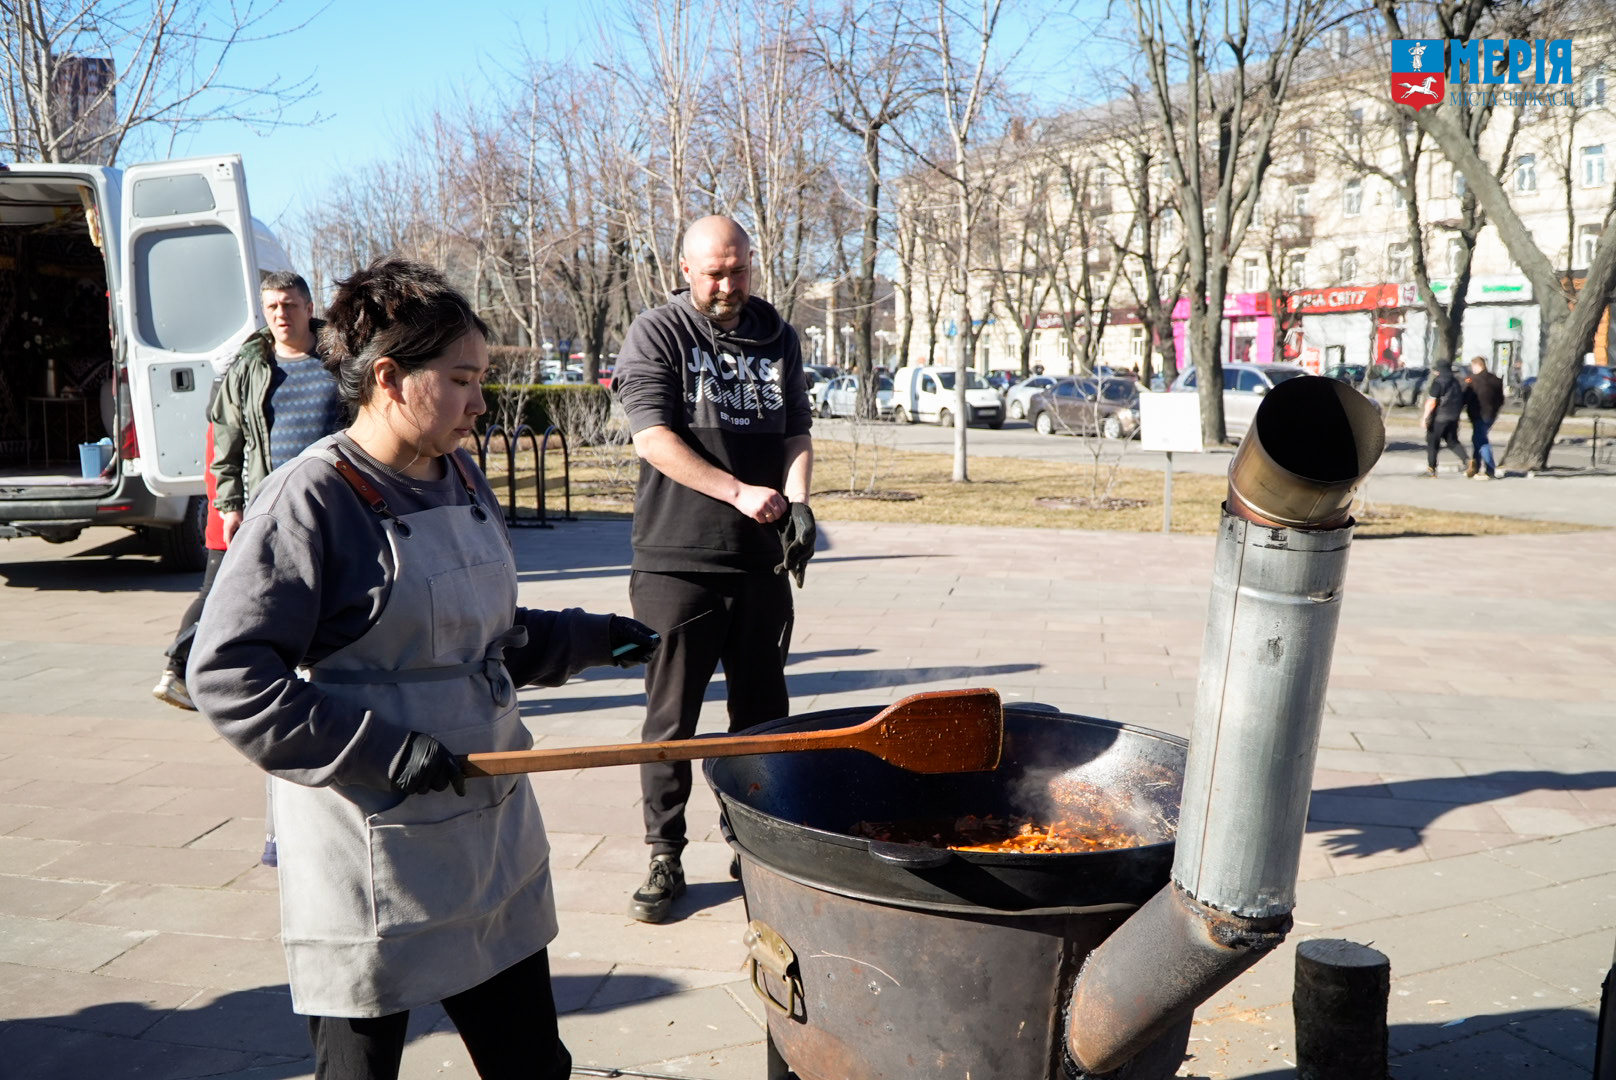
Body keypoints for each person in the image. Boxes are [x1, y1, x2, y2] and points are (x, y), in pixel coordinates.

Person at [188, 256, 659, 1080]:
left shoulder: (462, 476)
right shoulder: (311, 497)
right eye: (462, 380)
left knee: (531, 1066)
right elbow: (230, 677)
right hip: (373, 845)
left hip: (491, 835)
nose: (480, 403)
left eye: (481, 380)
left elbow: (479, 641)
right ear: (389, 379)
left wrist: (592, 640)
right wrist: (381, 751)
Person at [612, 215, 815, 923]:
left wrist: (798, 502)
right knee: (672, 721)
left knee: (763, 720)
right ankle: (664, 854)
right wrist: (737, 492)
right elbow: (652, 438)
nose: (729, 285)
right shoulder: (659, 333)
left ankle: (754, 845)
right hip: (678, 562)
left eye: (739, 270)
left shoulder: (778, 336)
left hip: (760, 564)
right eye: (714, 273)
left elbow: (796, 431)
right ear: (686, 269)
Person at [152, 271, 345, 711]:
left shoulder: (339, 361)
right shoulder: (250, 368)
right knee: (234, 591)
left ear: (309, 308)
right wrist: (230, 505)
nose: (281, 314)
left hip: (333, 501)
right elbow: (226, 444)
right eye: (272, 306)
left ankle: (317, 677)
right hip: (269, 503)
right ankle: (185, 670)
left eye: (289, 305)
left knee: (327, 588)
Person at [1421, 358, 1468, 477]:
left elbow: (1432, 402)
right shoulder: (1456, 382)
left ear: (1439, 370)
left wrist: (1425, 417)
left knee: (1432, 442)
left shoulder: (1438, 382)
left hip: (1439, 418)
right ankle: (1468, 461)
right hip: (1453, 417)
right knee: (1452, 442)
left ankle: (1431, 469)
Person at [1464, 355, 1505, 479]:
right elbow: (1501, 400)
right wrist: (1495, 411)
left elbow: (1467, 398)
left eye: (1473, 366)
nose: (1472, 369)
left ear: (1478, 365)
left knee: (1482, 441)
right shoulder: (1496, 380)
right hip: (1490, 415)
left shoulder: (1474, 381)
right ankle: (1475, 467)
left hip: (1478, 414)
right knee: (1477, 439)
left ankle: (1490, 468)